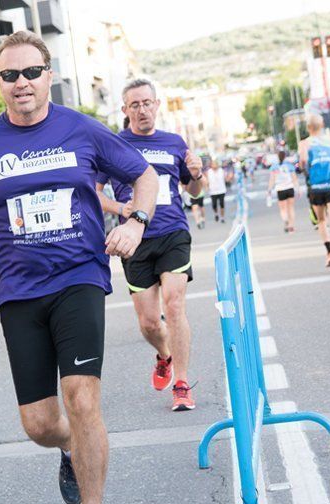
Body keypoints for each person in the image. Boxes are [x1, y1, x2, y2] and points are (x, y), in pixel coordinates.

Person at [0, 31, 158, 504]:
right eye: (9, 75)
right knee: (40, 423)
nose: (21, 84)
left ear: (49, 76)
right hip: (19, 292)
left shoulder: (81, 129)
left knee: (82, 397)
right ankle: (69, 449)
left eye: (31, 73)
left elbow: (146, 176)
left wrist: (135, 221)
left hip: (79, 278)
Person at [96, 78, 205, 413]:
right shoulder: (114, 144)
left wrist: (198, 174)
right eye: (135, 105)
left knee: (174, 305)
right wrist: (121, 209)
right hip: (135, 239)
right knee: (148, 323)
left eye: (147, 103)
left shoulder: (174, 142)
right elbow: (95, 193)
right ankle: (164, 355)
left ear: (157, 105)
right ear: (125, 110)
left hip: (173, 231)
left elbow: (195, 192)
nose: (142, 110)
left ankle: (182, 384)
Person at [299, 113, 330, 273]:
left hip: (316, 187)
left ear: (308, 128)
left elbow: (303, 162)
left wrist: (304, 167)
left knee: (321, 221)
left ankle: (329, 254)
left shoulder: (305, 143)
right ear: (322, 126)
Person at [267, 150, 299, 233]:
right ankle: (291, 225)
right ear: (285, 156)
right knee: (291, 208)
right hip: (290, 187)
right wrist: (298, 189)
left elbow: (272, 180)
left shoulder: (274, 167)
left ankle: (285, 220)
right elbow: (294, 179)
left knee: (283, 209)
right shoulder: (290, 166)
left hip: (280, 189)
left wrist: (269, 190)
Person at [206, 158, 227, 223]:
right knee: (214, 205)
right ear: (211, 165)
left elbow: (226, 178)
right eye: (213, 164)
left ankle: (222, 217)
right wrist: (207, 187)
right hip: (213, 191)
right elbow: (207, 181)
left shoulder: (221, 170)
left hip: (221, 190)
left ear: (217, 165)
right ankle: (216, 214)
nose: (214, 165)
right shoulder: (208, 172)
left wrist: (228, 178)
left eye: (215, 164)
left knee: (222, 204)